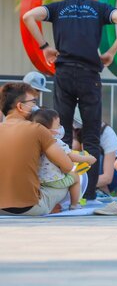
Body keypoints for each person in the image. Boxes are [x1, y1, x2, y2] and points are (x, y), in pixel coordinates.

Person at [22, 0, 117, 203]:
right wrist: (111, 52)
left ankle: (63, 194)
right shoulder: (99, 8)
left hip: (63, 74)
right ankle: (88, 194)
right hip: (89, 75)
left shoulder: (59, 7)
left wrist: (45, 47)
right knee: (91, 136)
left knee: (60, 134)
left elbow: (28, 16)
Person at [0, 83, 73, 216]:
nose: (35, 106)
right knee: (70, 179)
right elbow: (67, 166)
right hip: (29, 208)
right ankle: (68, 207)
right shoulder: (38, 130)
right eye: (33, 102)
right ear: (20, 107)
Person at [31, 109, 95, 210]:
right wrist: (87, 159)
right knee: (75, 178)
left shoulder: (33, 142)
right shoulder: (56, 142)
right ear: (46, 130)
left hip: (38, 180)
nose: (61, 128)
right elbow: (70, 156)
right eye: (58, 125)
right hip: (54, 180)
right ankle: (74, 204)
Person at [73, 113, 117, 194]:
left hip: (111, 173)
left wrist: (77, 183)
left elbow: (107, 178)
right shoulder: (72, 131)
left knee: (94, 154)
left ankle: (102, 192)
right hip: (84, 176)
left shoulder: (106, 133)